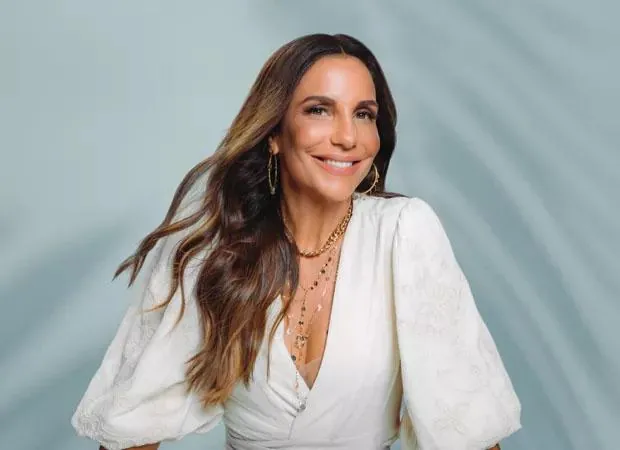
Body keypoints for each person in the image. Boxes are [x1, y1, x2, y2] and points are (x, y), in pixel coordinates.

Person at [71, 33, 521, 450]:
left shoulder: (404, 234)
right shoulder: (214, 253)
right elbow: (129, 428)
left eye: (363, 114)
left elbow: (472, 428)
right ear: (273, 134)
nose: (347, 137)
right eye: (319, 110)